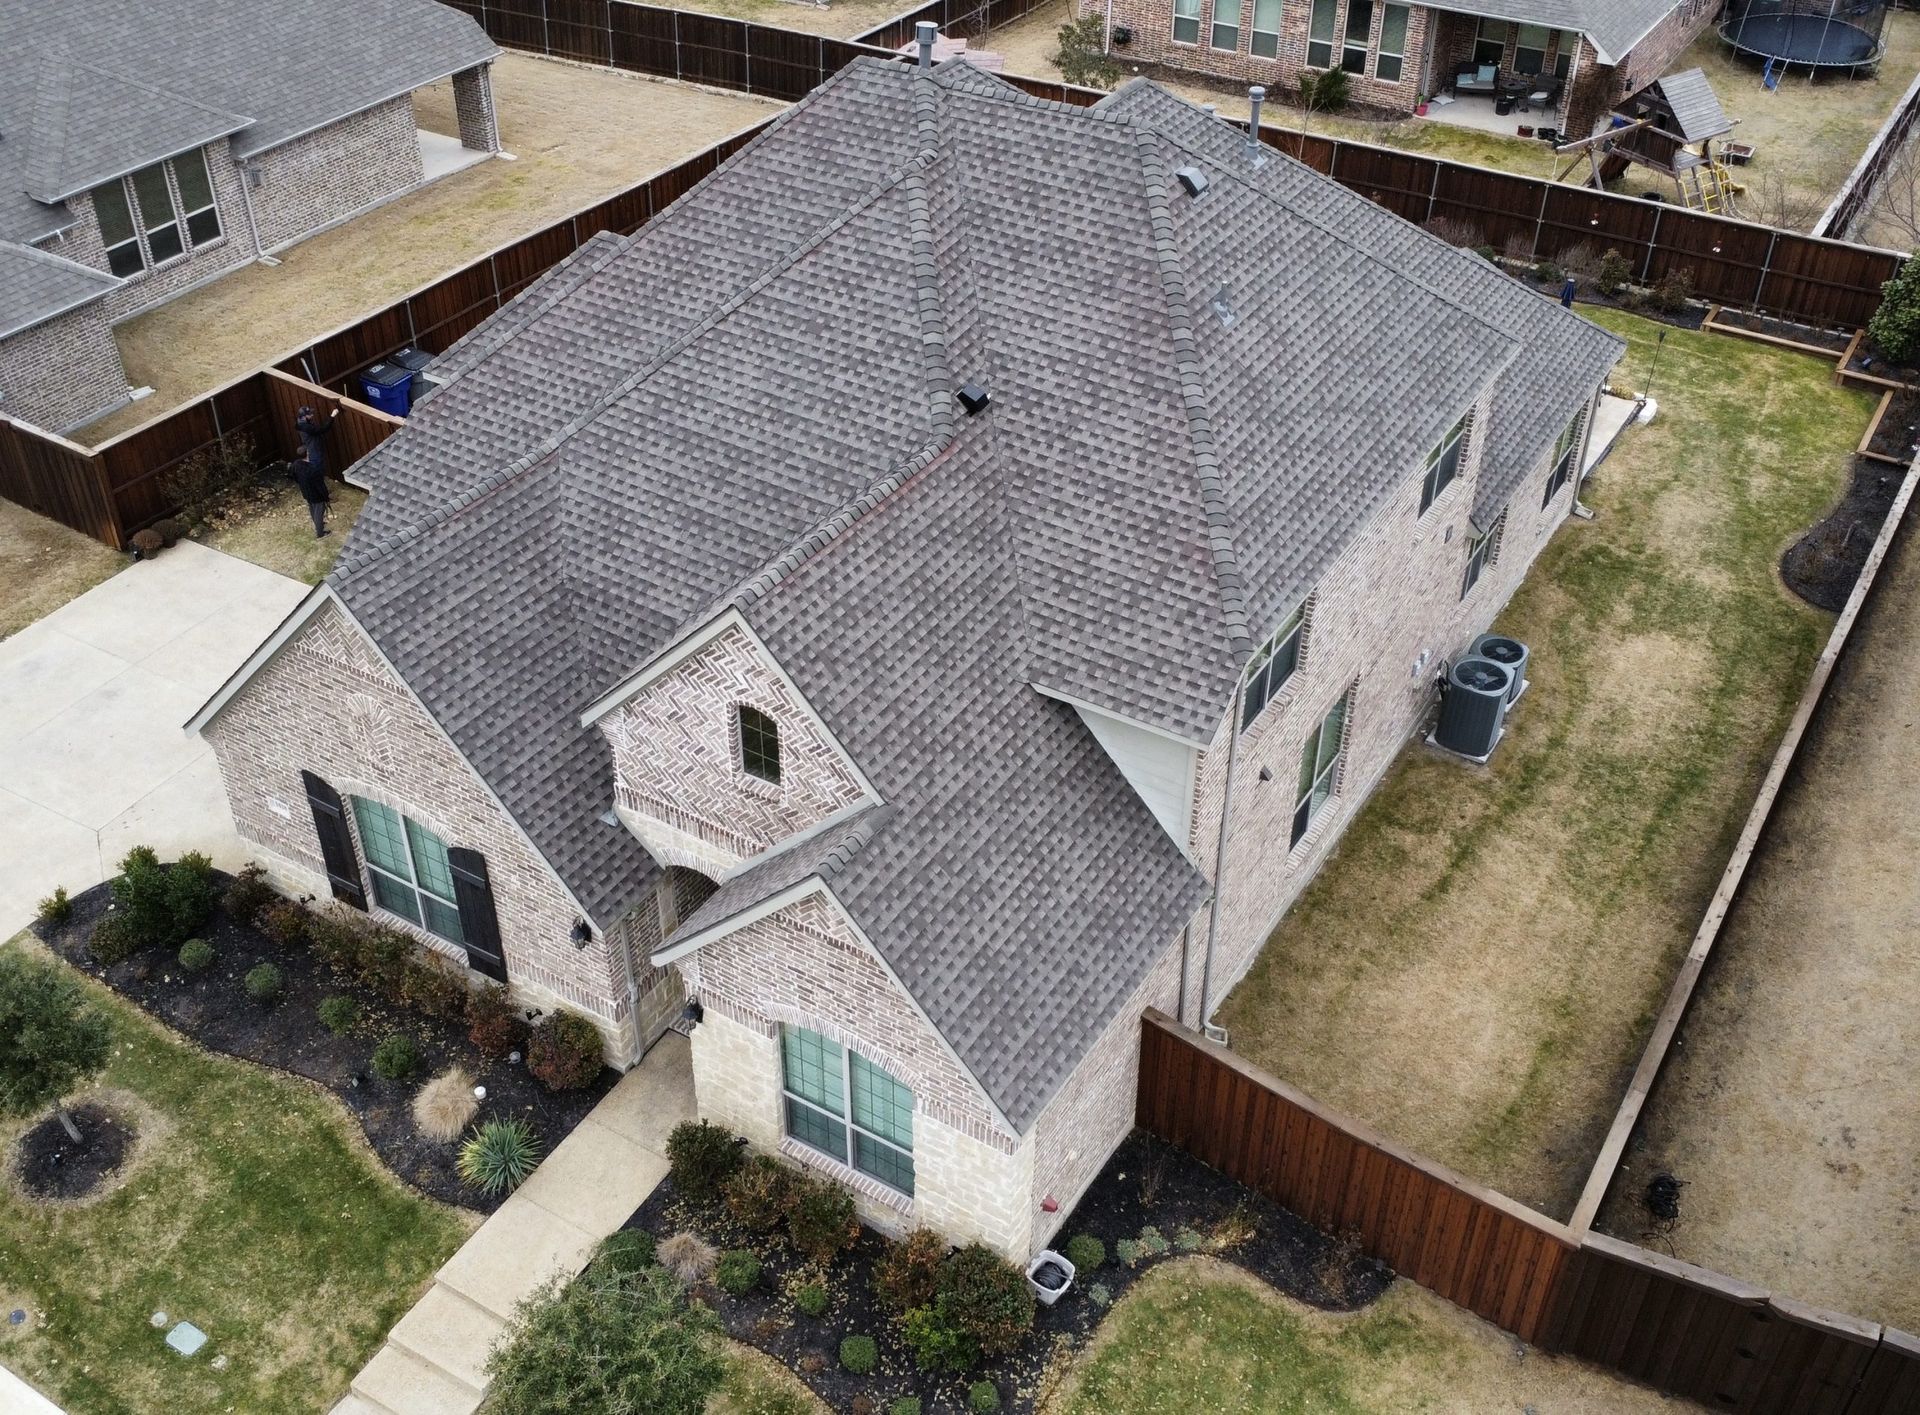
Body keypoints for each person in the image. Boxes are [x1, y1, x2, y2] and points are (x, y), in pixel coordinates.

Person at [289, 446, 332, 538]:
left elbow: (293, 476)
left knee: (312, 508)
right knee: (319, 512)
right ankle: (320, 533)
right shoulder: (313, 469)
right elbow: (320, 485)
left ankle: (318, 524)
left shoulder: (296, 465)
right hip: (316, 494)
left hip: (306, 492)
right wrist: (326, 496)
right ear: (307, 453)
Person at [295, 403, 337, 476]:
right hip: (314, 449)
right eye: (310, 414)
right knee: (317, 468)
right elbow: (323, 429)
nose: (312, 415)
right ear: (304, 417)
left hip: (311, 447)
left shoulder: (301, 422)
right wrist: (332, 416)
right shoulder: (307, 427)